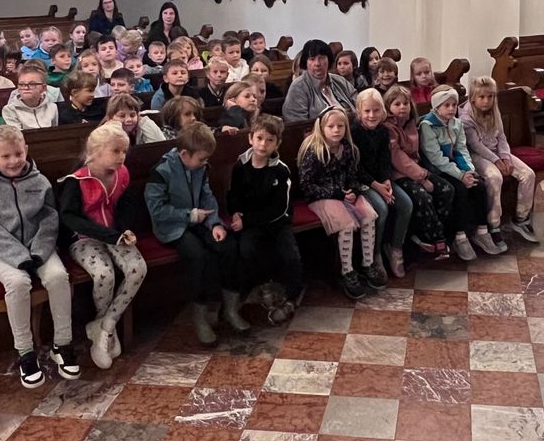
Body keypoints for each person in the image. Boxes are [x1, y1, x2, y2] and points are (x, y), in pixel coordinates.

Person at [0, 125, 80, 388]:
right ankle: (25, 352)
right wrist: (19, 256)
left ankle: (62, 344)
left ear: (26, 151)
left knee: (58, 277)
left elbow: (49, 218)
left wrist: (38, 251)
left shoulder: (39, 181)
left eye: (18, 154)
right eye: (5, 156)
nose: (13, 161)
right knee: (19, 283)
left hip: (40, 247)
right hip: (3, 253)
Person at [57, 122, 147, 369]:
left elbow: (127, 204)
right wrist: (106, 234)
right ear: (95, 152)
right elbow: (69, 216)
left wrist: (126, 228)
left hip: (116, 234)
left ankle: (106, 325)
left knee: (137, 268)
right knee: (104, 274)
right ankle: (102, 330)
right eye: (116, 151)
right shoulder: (76, 180)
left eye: (124, 151)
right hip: (85, 238)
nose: (122, 157)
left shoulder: (122, 173)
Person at [146, 122, 238, 343]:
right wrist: (189, 215)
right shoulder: (161, 171)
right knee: (197, 255)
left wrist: (215, 223)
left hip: (200, 220)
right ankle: (199, 316)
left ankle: (230, 308)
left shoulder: (200, 167)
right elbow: (157, 210)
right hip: (172, 227)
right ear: (185, 154)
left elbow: (207, 196)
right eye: (202, 159)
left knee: (227, 245)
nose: (205, 163)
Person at [297, 107, 385, 300]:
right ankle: (347, 271)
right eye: (331, 126)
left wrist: (352, 190)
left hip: (345, 194)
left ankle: (367, 263)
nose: (336, 130)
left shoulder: (348, 149)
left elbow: (353, 176)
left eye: (340, 126)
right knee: (346, 223)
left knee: (368, 215)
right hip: (321, 197)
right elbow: (307, 185)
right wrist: (337, 193)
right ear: (321, 127)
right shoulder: (314, 150)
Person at [227, 114, 305, 325]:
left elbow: (278, 209)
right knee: (247, 249)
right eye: (259, 138)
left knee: (290, 256)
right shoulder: (241, 165)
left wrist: (247, 220)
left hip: (277, 222)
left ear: (277, 143)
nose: (263, 144)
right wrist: (235, 212)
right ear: (250, 138)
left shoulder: (280, 170)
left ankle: (292, 295)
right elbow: (234, 194)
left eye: (270, 140)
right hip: (251, 222)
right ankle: (261, 290)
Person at [460, 76, 537, 246]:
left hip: (496, 153)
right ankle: (493, 223)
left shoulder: (495, 111)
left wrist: (506, 157)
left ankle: (521, 217)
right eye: (482, 97)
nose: (487, 101)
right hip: (477, 156)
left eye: (490, 96)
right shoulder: (466, 117)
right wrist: (496, 161)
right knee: (495, 177)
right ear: (473, 97)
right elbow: (475, 145)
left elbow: (501, 137)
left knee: (528, 174)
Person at [419, 85, 491, 261]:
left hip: (455, 167)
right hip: (436, 170)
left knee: (479, 185)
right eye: (446, 105)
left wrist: (469, 171)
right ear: (436, 107)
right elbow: (436, 158)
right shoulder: (428, 125)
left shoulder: (456, 124)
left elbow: (461, 149)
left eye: (454, 105)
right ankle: (459, 236)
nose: (451, 109)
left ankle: (481, 231)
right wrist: (460, 176)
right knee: (460, 189)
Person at [384, 85, 452, 260]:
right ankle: (437, 240)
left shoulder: (411, 122)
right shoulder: (388, 128)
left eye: (405, 103)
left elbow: (416, 153)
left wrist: (426, 174)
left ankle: (425, 234)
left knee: (447, 189)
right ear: (388, 107)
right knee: (423, 197)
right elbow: (399, 159)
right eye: (396, 104)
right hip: (399, 174)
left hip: (418, 169)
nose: (402, 107)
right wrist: (423, 178)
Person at [352, 89, 413, 279]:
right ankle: (375, 254)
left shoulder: (383, 131)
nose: (372, 115)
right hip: (363, 182)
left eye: (376, 110)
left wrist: (386, 180)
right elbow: (355, 167)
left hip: (381, 180)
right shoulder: (354, 132)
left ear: (383, 112)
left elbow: (385, 160)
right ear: (359, 112)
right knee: (381, 209)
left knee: (405, 204)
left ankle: (395, 248)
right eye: (367, 111)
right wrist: (377, 186)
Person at [282, 39, 358, 121]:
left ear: (328, 60)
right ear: (306, 63)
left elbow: (358, 103)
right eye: (312, 59)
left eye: (321, 58)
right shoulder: (298, 86)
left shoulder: (339, 80)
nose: (317, 63)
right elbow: (298, 124)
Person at [2, 64, 58, 129]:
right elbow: (17, 135)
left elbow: (54, 132)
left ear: (43, 88)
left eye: (32, 84)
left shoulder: (52, 107)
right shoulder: (10, 110)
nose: (26, 88)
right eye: (22, 84)